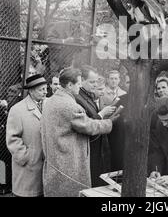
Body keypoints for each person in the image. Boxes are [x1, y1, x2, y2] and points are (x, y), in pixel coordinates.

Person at [41, 68, 119, 197]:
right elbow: (89, 126)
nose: (80, 86)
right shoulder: (69, 106)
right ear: (70, 85)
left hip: (55, 163)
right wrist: (110, 123)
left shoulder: (51, 101)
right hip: (68, 165)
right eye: (78, 83)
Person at [6, 74, 48, 197]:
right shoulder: (17, 110)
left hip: (46, 165)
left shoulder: (50, 105)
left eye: (46, 88)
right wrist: (26, 157)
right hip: (27, 167)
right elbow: (12, 138)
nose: (45, 92)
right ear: (31, 91)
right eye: (41, 90)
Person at [75, 65, 116, 187]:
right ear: (81, 81)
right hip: (88, 147)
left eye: (96, 81)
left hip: (94, 146)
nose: (95, 85)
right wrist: (102, 114)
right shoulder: (79, 98)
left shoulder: (87, 96)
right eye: (91, 82)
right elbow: (86, 124)